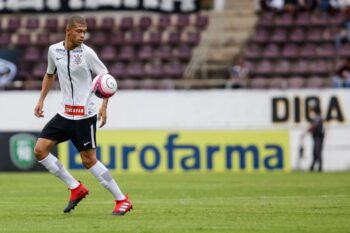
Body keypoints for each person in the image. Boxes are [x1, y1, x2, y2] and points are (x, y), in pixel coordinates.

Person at [33, 15, 132, 215]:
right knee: (40, 150)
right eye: (78, 31)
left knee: (88, 161)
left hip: (84, 116)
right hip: (64, 114)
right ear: (67, 30)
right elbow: (49, 74)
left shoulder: (88, 54)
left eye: (84, 31)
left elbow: (106, 79)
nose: (82, 35)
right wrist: (41, 99)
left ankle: (122, 200)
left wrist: (104, 106)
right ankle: (75, 188)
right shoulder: (54, 50)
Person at [302, 105, 325, 172]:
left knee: (317, 152)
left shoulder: (317, 117)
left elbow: (314, 126)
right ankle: (312, 167)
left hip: (318, 137)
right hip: (317, 137)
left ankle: (319, 168)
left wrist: (306, 132)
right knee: (315, 152)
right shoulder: (318, 117)